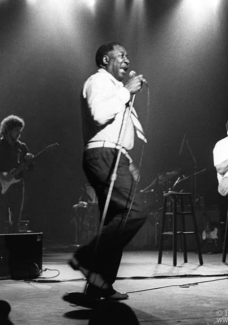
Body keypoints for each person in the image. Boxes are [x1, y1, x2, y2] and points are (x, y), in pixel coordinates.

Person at [68, 41, 148, 301]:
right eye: (120, 55)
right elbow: (100, 114)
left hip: (114, 155)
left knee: (116, 219)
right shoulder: (98, 81)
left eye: (128, 55)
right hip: (103, 154)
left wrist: (128, 159)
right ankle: (86, 259)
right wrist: (125, 91)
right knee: (132, 213)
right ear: (105, 60)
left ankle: (99, 285)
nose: (127, 59)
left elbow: (119, 130)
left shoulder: (114, 87)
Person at [0, 115, 34, 234]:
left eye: (20, 131)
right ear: (7, 130)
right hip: (2, 185)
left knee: (16, 220)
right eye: (16, 130)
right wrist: (0, 174)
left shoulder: (21, 147)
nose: (19, 134)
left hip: (17, 185)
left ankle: (13, 249)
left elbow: (31, 168)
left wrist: (30, 161)